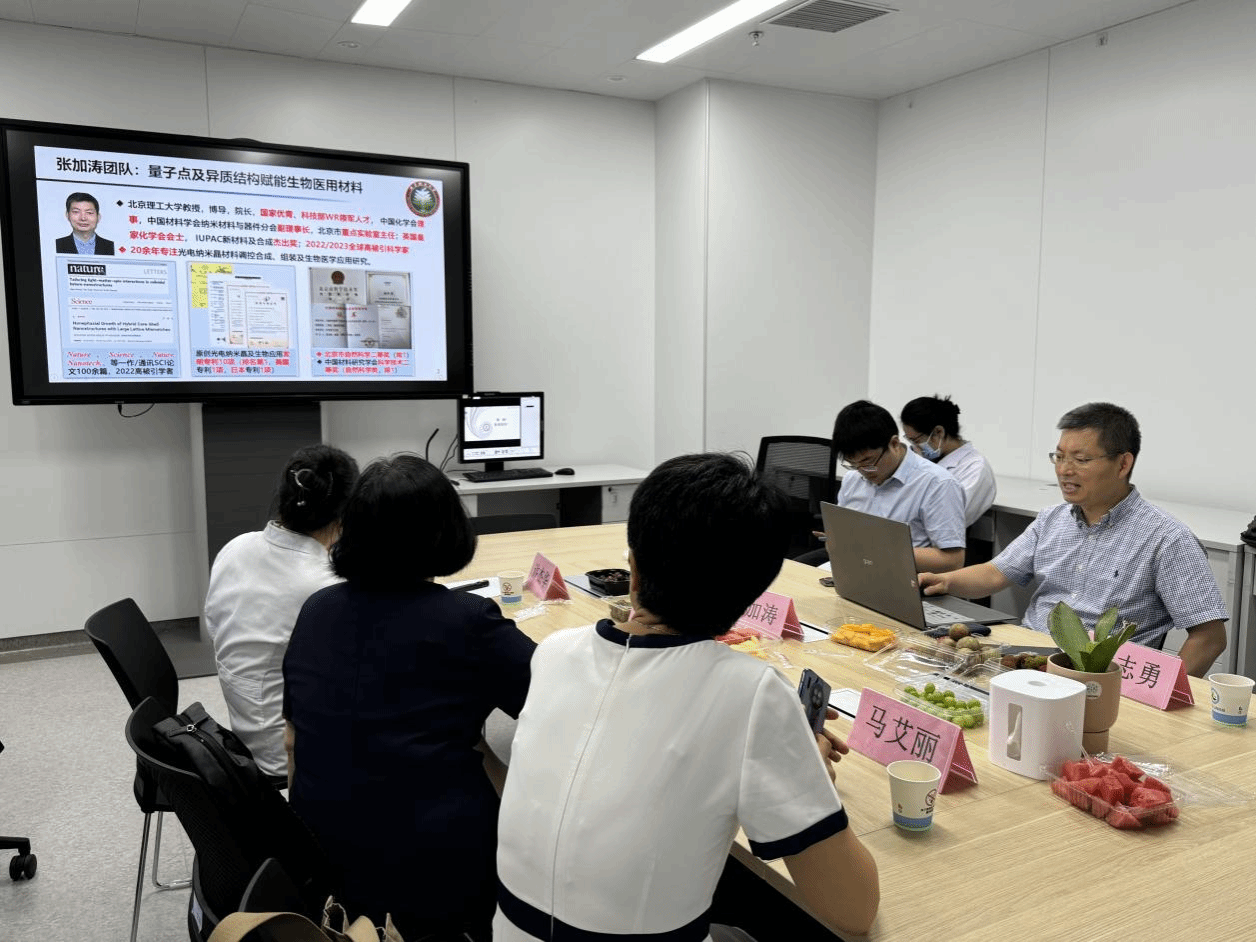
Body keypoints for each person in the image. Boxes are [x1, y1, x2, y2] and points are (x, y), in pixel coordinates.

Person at [493, 453, 880, 941]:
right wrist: (803, 768)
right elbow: (854, 911)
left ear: (633, 569)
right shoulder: (751, 694)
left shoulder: (554, 651)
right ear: (753, 593)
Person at [283, 454, 536, 940]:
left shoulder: (317, 609)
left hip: (323, 855)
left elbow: (292, 741)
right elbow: (551, 703)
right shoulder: (467, 620)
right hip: (435, 864)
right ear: (448, 532)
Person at [920, 402, 1228, 677]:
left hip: (1099, 678)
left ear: (1123, 464)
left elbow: (1209, 638)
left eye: (1080, 460)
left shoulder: (1167, 538)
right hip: (1027, 660)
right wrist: (944, 581)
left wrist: (1165, 696)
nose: (1064, 470)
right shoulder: (1052, 519)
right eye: (1059, 457)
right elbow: (994, 573)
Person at [203, 444, 359, 778]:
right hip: (287, 751)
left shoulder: (236, 547)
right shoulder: (325, 585)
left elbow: (215, 628)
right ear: (346, 512)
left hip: (248, 729)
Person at [829, 399, 966, 572]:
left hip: (906, 578)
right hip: (854, 570)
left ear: (894, 443)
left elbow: (952, 561)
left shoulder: (937, 484)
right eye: (853, 464)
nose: (863, 472)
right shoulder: (852, 479)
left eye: (868, 462)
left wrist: (877, 551)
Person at [901, 394, 997, 527]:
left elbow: (947, 520)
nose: (915, 447)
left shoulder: (974, 469)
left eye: (916, 441)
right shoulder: (925, 459)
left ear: (938, 432)